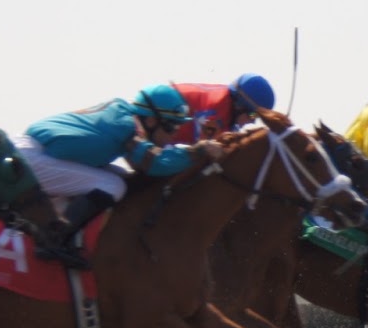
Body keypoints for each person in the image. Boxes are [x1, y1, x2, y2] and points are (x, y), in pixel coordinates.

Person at [15, 84, 225, 268]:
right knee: (113, 185)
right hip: (32, 159)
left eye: (178, 127)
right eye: (171, 126)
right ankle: (54, 241)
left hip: (37, 153)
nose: (174, 135)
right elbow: (155, 164)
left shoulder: (125, 115)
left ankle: (73, 232)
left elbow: (142, 167)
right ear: (151, 120)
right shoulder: (126, 126)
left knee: (123, 178)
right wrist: (197, 150)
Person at [170, 73, 276, 144]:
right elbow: (206, 156)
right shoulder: (215, 112)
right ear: (239, 106)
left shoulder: (227, 106)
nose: (253, 121)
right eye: (253, 115)